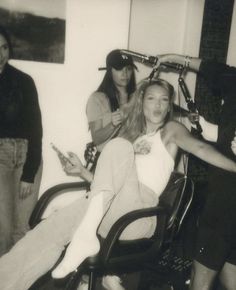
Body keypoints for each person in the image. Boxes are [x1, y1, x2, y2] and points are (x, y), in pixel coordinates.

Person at [1, 79, 236, 290]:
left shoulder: (170, 131)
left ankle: (85, 239)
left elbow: (202, 149)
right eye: (151, 98)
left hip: (139, 216)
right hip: (109, 210)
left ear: (169, 105)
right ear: (141, 102)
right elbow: (108, 186)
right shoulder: (131, 134)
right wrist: (82, 171)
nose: (158, 105)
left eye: (164, 100)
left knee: (118, 146)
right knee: (48, 230)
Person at [157, 54, 236, 290]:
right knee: (229, 268)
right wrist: (200, 124)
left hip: (226, 197)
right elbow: (206, 66)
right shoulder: (232, 78)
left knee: (200, 274)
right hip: (225, 193)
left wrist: (172, 56)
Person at [0, 26, 43, 256]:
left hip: (28, 155)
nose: (0, 55)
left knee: (22, 230)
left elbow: (36, 129)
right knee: (2, 231)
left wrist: (29, 173)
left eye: (4, 47)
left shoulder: (24, 81)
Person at [86, 49, 137, 153]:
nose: (125, 73)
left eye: (128, 68)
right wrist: (112, 125)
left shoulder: (137, 98)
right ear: (109, 70)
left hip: (133, 159)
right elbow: (96, 139)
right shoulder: (97, 99)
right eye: (119, 69)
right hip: (108, 160)